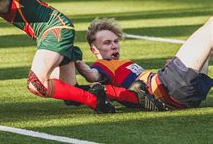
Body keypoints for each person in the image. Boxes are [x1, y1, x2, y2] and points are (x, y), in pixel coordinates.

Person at [76, 18, 212, 111]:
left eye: (116, 41)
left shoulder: (122, 63)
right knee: (208, 30)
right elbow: (92, 76)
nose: (114, 46)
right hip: (169, 89)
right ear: (94, 49)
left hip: (186, 94)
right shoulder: (102, 65)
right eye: (107, 43)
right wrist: (75, 59)